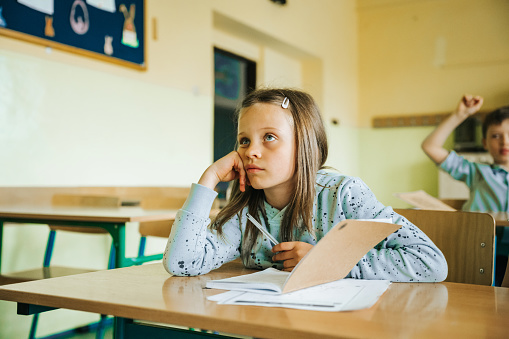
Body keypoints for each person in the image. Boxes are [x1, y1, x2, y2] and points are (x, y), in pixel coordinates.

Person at [163, 88, 447, 282]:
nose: (251, 151)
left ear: (304, 145)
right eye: (244, 140)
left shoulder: (343, 194)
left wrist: (326, 262)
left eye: (269, 137)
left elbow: (430, 262)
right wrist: (209, 179)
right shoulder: (245, 209)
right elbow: (181, 263)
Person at [421, 95, 509, 212]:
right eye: (495, 136)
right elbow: (430, 147)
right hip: (480, 230)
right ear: (484, 143)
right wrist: (460, 115)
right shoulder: (476, 172)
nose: (505, 141)